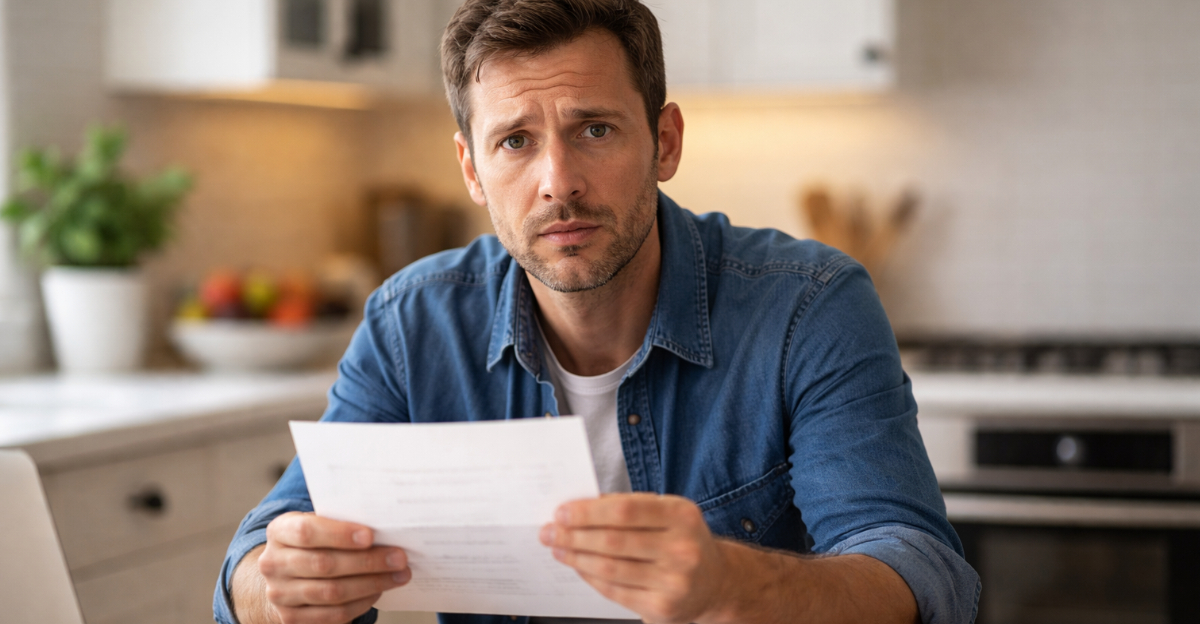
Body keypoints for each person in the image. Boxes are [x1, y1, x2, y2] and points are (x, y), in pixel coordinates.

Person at [214, 1, 980, 623]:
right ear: (471, 169)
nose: (559, 181)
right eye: (515, 141)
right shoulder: (411, 325)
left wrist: (733, 587)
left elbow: (920, 573)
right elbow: (253, 564)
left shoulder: (808, 306)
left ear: (665, 142)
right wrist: (281, 589)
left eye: (595, 129)